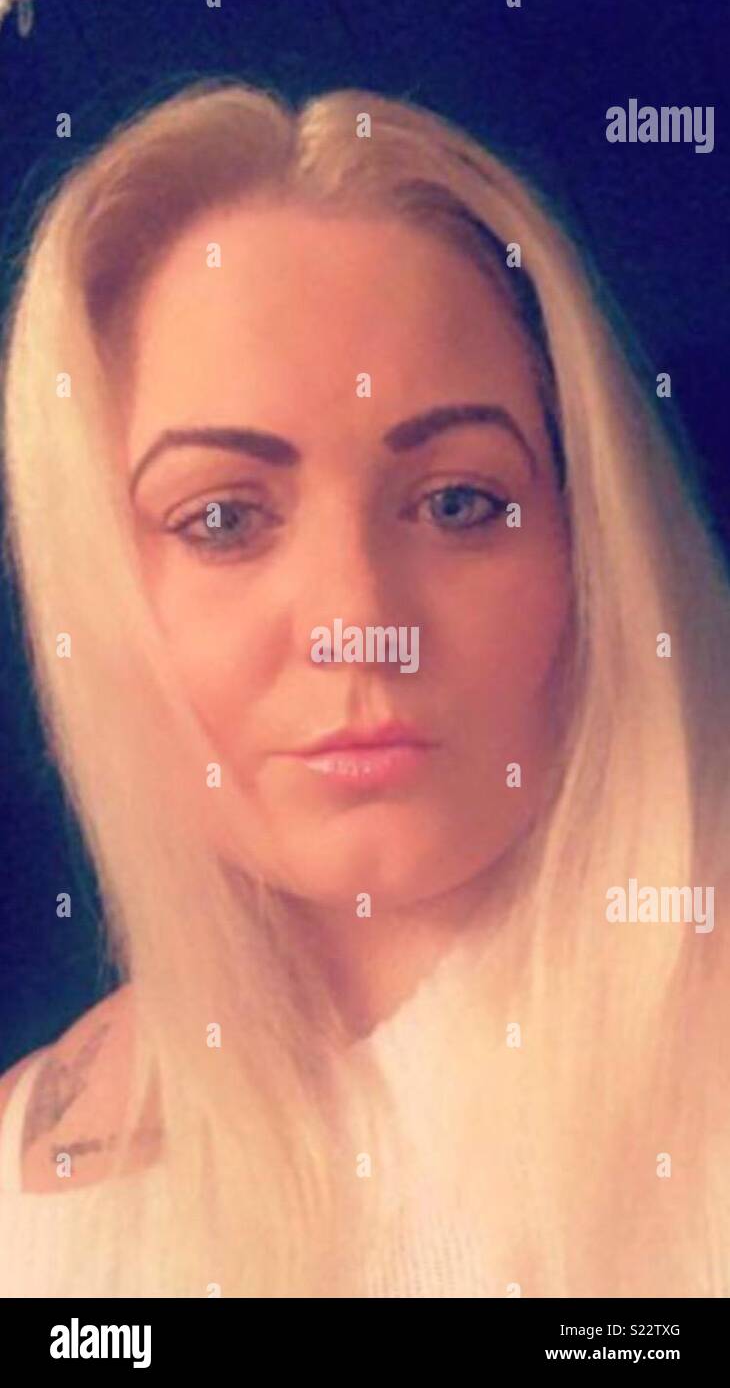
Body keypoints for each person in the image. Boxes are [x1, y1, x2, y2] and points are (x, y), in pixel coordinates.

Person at [0, 77, 728, 1299]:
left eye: (459, 502)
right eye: (222, 519)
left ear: (592, 547)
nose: (358, 625)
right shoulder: (32, 1189)